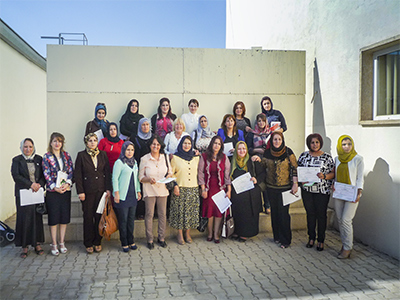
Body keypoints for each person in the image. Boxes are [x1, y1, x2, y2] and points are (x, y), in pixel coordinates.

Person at [253, 131, 298, 248]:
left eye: (279, 139)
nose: (277, 141)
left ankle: (285, 240)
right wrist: (258, 159)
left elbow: (295, 168)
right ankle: (277, 237)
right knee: (275, 213)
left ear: (282, 140)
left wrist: (295, 183)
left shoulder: (288, 152)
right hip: (271, 188)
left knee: (283, 214)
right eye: (274, 139)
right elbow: (263, 166)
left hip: (285, 188)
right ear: (271, 141)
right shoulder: (268, 153)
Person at [74, 133, 112, 254]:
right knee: (88, 217)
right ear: (86, 142)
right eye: (90, 140)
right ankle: (88, 243)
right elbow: (78, 175)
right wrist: (80, 191)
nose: (92, 142)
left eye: (95, 140)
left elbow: (107, 173)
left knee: (99, 216)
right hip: (87, 192)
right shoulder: (81, 155)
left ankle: (97, 241)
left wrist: (108, 189)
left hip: (100, 191)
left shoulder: (103, 154)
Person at [297, 134, 335, 251]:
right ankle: (311, 238)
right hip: (307, 191)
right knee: (310, 214)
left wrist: (324, 176)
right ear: (309, 144)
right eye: (312, 142)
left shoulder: (327, 157)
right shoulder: (303, 156)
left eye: (317, 142)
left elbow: (333, 174)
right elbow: (298, 172)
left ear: (320, 143)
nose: (315, 145)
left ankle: (321, 240)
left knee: (321, 215)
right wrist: (301, 181)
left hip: (322, 191)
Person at [11, 138, 46, 258]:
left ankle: (37, 244)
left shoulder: (38, 159)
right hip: (23, 194)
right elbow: (16, 176)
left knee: (37, 218)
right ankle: (24, 246)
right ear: (21, 147)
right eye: (25, 147)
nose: (28, 149)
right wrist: (30, 184)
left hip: (36, 193)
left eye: (30, 146)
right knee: (24, 219)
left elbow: (43, 175)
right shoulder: (17, 160)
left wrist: (39, 184)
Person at [42, 132, 74, 256]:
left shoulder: (66, 155)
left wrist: (67, 184)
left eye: (59, 141)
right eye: (55, 141)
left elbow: (71, 170)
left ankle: (62, 242)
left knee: (64, 218)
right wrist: (54, 187)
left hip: (65, 190)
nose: (57, 143)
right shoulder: (47, 157)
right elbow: (46, 173)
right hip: (53, 192)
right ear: (51, 143)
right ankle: (54, 244)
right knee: (54, 218)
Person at [139, 135, 172, 249]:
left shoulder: (165, 157)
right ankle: (150, 239)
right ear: (150, 145)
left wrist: (168, 176)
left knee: (162, 215)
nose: (156, 146)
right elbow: (140, 177)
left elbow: (170, 172)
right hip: (149, 190)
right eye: (154, 144)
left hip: (163, 189)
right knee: (149, 215)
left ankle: (161, 238)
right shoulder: (144, 159)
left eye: (158, 144)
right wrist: (149, 180)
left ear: (160, 146)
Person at [333, 135, 364, 259]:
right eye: (344, 144)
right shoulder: (337, 159)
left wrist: (359, 192)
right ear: (340, 146)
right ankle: (344, 244)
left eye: (349, 144)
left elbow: (360, 177)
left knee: (346, 220)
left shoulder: (358, 159)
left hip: (352, 193)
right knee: (340, 219)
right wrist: (333, 185)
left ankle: (347, 248)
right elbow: (336, 175)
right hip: (339, 192)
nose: (346, 147)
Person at [198, 136, 231, 244]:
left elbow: (227, 176)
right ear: (211, 144)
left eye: (219, 144)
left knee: (218, 212)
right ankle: (210, 233)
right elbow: (201, 173)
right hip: (208, 188)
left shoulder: (224, 158)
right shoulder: (204, 156)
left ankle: (216, 233)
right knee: (210, 212)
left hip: (220, 188)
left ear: (221, 146)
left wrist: (228, 190)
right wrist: (203, 188)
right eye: (215, 143)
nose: (216, 145)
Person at [230, 142, 264, 242]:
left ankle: (246, 233)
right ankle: (238, 231)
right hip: (237, 193)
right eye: (239, 149)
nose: (242, 151)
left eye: (244, 149)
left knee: (248, 214)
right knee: (238, 213)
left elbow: (262, 174)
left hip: (250, 194)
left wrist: (256, 179)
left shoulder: (252, 161)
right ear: (236, 150)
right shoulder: (232, 161)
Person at [170, 136, 200, 245]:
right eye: (184, 143)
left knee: (190, 213)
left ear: (191, 145)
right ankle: (179, 234)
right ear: (181, 144)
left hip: (193, 188)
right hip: (180, 188)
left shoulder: (196, 158)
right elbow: (171, 174)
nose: (186, 145)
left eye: (188, 143)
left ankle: (187, 233)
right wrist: (175, 185)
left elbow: (200, 173)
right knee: (179, 213)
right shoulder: (175, 157)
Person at [112, 141, 142, 252]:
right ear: (124, 150)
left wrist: (138, 191)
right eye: (128, 149)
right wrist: (116, 193)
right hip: (122, 196)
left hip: (132, 195)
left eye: (132, 150)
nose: (130, 152)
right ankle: (124, 242)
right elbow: (114, 179)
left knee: (130, 220)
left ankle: (131, 241)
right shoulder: (119, 163)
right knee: (123, 220)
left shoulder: (134, 162)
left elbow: (137, 179)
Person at [246, 113, 272, 214]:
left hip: (268, 160)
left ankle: (267, 204)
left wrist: (264, 152)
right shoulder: (252, 134)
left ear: (266, 122)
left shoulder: (270, 133)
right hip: (256, 161)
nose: (261, 123)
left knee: (268, 182)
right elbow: (248, 149)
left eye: (263, 121)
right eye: (259, 121)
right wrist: (258, 151)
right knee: (259, 181)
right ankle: (259, 205)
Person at [132, 117, 155, 219]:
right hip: (139, 167)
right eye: (143, 125)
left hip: (152, 167)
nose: (145, 127)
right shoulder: (134, 138)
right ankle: (140, 212)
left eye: (147, 125)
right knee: (140, 189)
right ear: (140, 126)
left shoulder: (154, 137)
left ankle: (151, 212)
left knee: (151, 189)